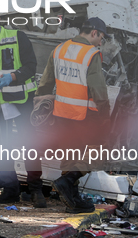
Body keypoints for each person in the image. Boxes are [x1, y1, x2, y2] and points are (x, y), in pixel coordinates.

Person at [0, 5, 45, 208]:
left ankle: (36, 190)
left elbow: (31, 66)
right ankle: (10, 190)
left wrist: (10, 78)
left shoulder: (17, 36)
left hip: (20, 101)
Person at [35, 17, 110, 214]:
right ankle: (67, 181)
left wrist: (39, 104)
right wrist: (105, 114)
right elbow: (98, 89)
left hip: (62, 114)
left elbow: (45, 82)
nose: (101, 42)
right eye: (101, 37)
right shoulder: (91, 54)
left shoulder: (59, 49)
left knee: (69, 155)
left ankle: (72, 200)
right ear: (94, 33)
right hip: (84, 116)